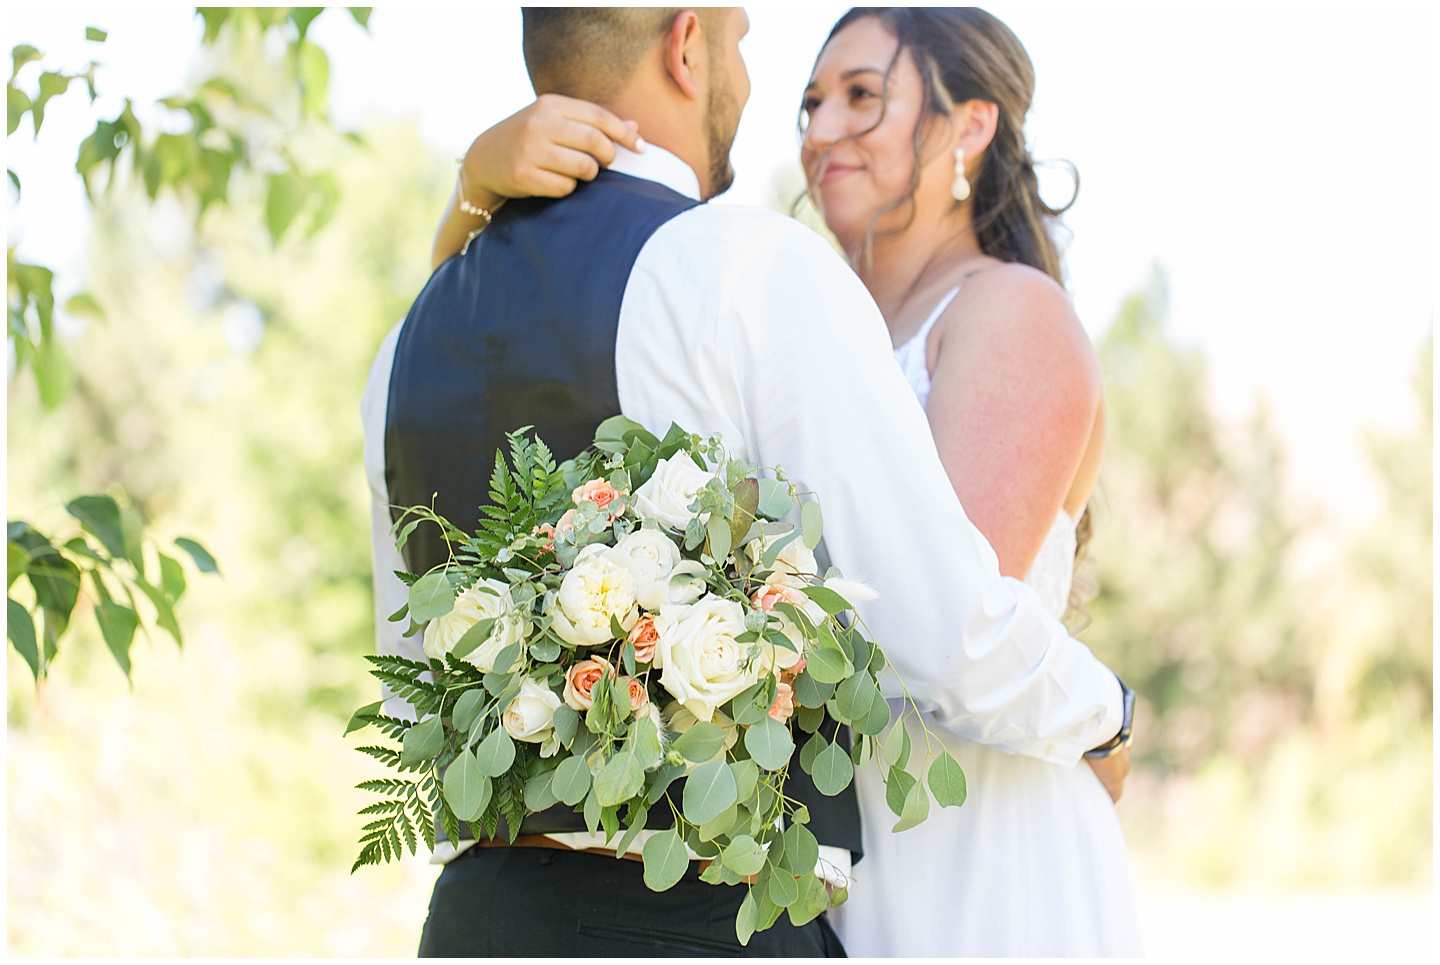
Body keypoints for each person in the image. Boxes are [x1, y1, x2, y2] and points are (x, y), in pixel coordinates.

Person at [367, 7, 1129, 956]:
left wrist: (472, 204)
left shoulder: (407, 343)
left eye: (862, 95)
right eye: (785, 76)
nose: (808, 122)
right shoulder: (747, 276)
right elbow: (943, 631)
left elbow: (416, 668)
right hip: (716, 903)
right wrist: (1110, 713)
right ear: (688, 46)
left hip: (492, 909)